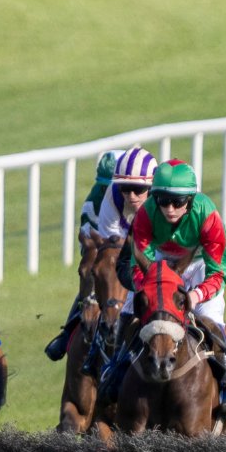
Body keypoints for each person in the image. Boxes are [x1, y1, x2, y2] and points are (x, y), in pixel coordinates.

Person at [99, 159, 226, 422]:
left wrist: (194, 295)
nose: (169, 208)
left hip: (199, 268)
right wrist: (151, 288)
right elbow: (137, 262)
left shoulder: (207, 214)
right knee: (131, 310)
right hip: (157, 269)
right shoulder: (146, 214)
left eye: (177, 202)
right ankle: (116, 370)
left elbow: (219, 271)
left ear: (190, 200)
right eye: (163, 200)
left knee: (212, 322)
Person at [44, 148, 147, 361]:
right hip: (106, 251)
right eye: (104, 185)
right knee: (96, 276)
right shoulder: (96, 199)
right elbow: (90, 243)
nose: (127, 194)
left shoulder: (142, 192)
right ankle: (68, 333)